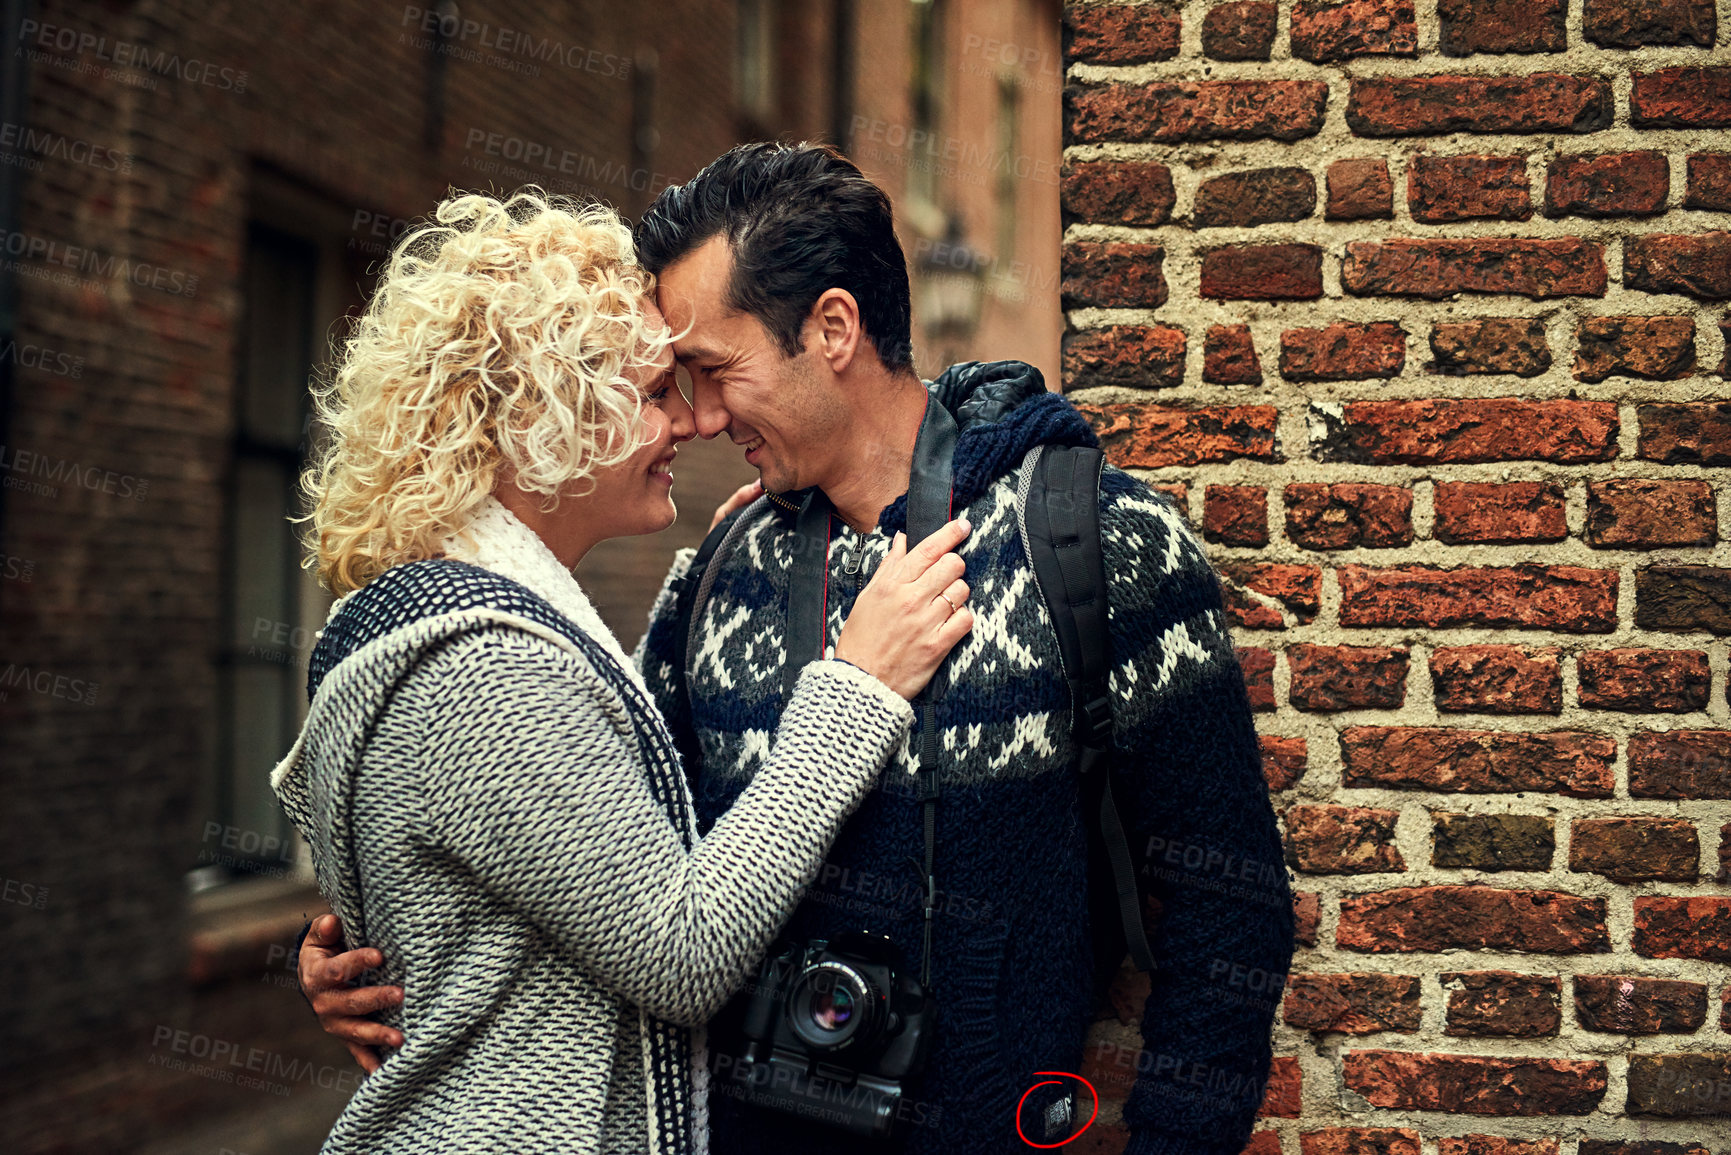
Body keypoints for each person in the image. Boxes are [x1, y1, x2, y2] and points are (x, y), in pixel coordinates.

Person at [306, 144, 1292, 1154]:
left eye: (712, 371)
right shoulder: (719, 571)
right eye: (670, 383)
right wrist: (395, 949)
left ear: (831, 329)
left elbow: (1229, 919)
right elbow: (612, 871)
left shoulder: (1098, 545)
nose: (695, 418)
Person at [273, 186, 976, 1154]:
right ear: (543, 420)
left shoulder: (432, 614)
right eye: (651, 394)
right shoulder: (478, 672)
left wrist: (709, 585)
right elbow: (683, 950)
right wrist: (856, 687)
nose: (686, 424)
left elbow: (584, 796)